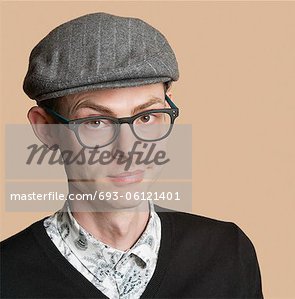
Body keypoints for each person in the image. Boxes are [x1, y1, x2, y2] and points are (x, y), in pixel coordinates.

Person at [0, 12, 263, 298]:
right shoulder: (7, 276)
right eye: (96, 122)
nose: (128, 151)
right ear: (47, 129)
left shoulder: (226, 254)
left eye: (147, 117)